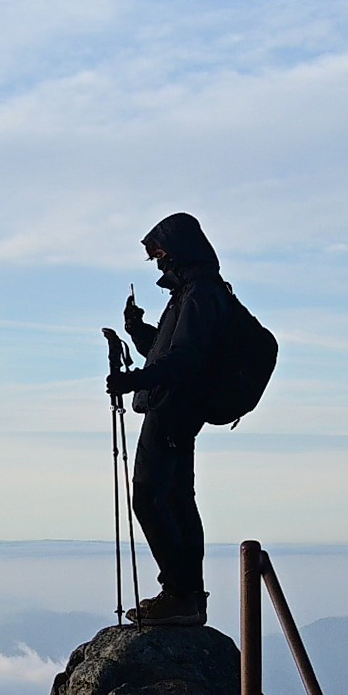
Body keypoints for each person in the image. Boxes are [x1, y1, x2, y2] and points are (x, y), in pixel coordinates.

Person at [105, 212, 236, 628]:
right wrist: (137, 330)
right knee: (177, 501)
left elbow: (181, 362)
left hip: (173, 410)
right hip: (179, 409)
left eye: (159, 252)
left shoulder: (198, 295)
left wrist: (131, 381)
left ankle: (179, 595)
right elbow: (167, 355)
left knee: (149, 499)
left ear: (177, 249)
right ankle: (188, 596)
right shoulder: (191, 295)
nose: (158, 262)